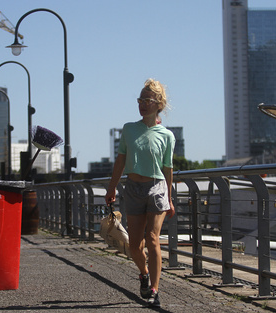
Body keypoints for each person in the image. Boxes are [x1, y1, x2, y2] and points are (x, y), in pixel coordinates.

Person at [105, 78, 176, 308]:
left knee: (153, 238)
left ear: (158, 104)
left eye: (148, 100)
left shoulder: (167, 136)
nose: (143, 104)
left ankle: (155, 290)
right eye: (140, 100)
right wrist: (112, 186)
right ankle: (144, 273)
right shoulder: (129, 129)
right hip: (133, 188)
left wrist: (170, 198)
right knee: (135, 245)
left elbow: (168, 169)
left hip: (157, 188)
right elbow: (121, 159)